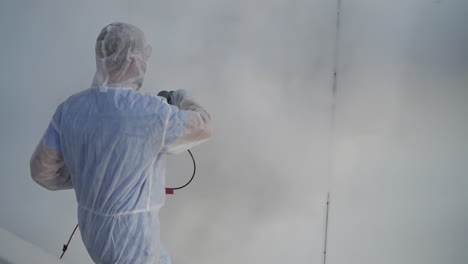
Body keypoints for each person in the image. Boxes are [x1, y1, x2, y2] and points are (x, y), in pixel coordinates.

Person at [30, 22, 212, 264]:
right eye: (143, 57)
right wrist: (181, 98)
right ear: (134, 59)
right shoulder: (149, 112)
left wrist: (93, 179)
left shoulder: (70, 109)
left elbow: (41, 171)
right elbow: (203, 126)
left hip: (92, 232)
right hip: (134, 240)